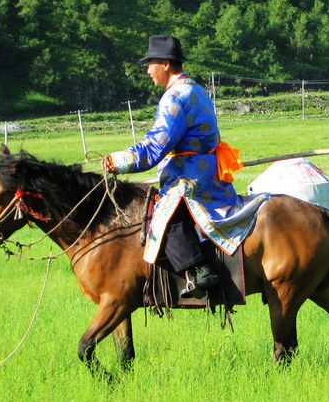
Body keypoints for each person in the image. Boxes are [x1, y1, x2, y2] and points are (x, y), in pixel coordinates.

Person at [105, 34, 245, 299]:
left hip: (191, 179)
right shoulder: (196, 88)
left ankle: (199, 271)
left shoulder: (175, 98)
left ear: (166, 64)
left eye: (151, 63)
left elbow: (155, 147)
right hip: (210, 174)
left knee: (165, 216)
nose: (148, 70)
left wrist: (119, 161)